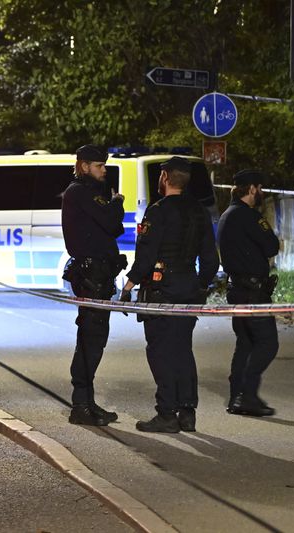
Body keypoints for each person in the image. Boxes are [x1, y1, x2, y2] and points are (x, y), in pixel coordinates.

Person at [120, 157, 219, 433]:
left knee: (160, 352)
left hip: (161, 289)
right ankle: (187, 412)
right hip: (188, 287)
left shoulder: (157, 211)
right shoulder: (200, 212)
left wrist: (128, 287)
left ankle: (166, 413)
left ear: (164, 178)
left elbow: (146, 256)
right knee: (183, 349)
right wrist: (200, 285)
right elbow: (211, 260)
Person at [61, 144, 126, 426]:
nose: (104, 171)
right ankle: (81, 406)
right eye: (100, 166)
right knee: (91, 339)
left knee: (95, 339)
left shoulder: (90, 193)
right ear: (84, 165)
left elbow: (112, 226)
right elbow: (113, 224)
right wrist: (117, 203)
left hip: (99, 275)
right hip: (91, 275)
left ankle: (87, 402)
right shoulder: (79, 191)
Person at [216, 169, 280, 417]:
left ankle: (237, 397)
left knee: (245, 343)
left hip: (238, 290)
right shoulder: (248, 216)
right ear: (252, 189)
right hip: (254, 293)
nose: (262, 192)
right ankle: (247, 394)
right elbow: (272, 246)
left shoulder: (226, 215)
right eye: (260, 188)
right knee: (267, 343)